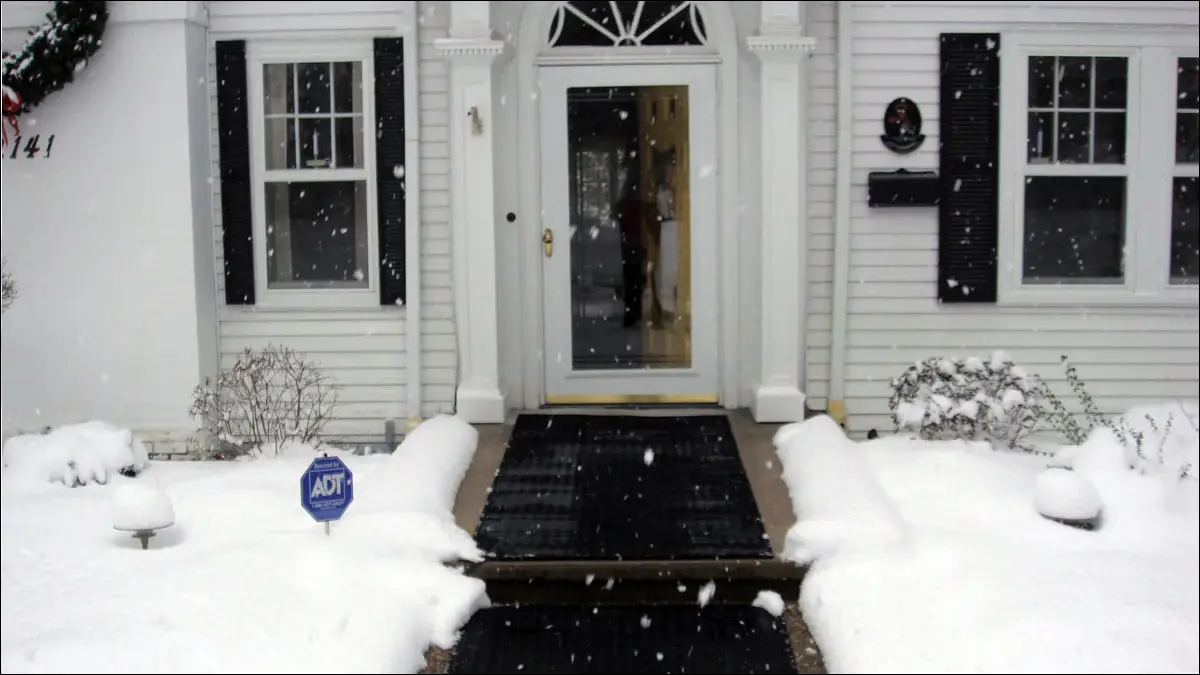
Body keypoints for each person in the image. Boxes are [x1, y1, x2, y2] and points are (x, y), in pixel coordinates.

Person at [616, 175, 646, 328]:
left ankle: (632, 313)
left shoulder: (628, 206)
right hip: (634, 246)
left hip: (630, 246)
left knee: (632, 281)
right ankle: (634, 313)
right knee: (634, 281)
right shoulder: (636, 206)